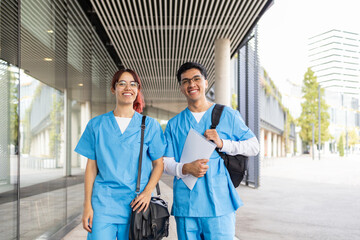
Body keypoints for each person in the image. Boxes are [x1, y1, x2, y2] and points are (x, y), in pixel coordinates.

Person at [163, 62, 260, 239]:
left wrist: (223, 143)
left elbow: (254, 146)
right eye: (185, 81)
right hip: (186, 207)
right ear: (181, 88)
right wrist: (185, 168)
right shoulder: (174, 124)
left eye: (196, 79)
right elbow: (165, 162)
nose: (191, 84)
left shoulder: (227, 115)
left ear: (206, 83)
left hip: (219, 204)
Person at [75, 69, 166, 240]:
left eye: (133, 84)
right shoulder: (96, 125)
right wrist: (87, 204)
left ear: (138, 90)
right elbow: (91, 167)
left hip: (137, 205)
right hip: (103, 204)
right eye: (122, 83)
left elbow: (158, 164)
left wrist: (147, 192)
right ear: (113, 88)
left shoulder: (150, 125)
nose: (128, 87)